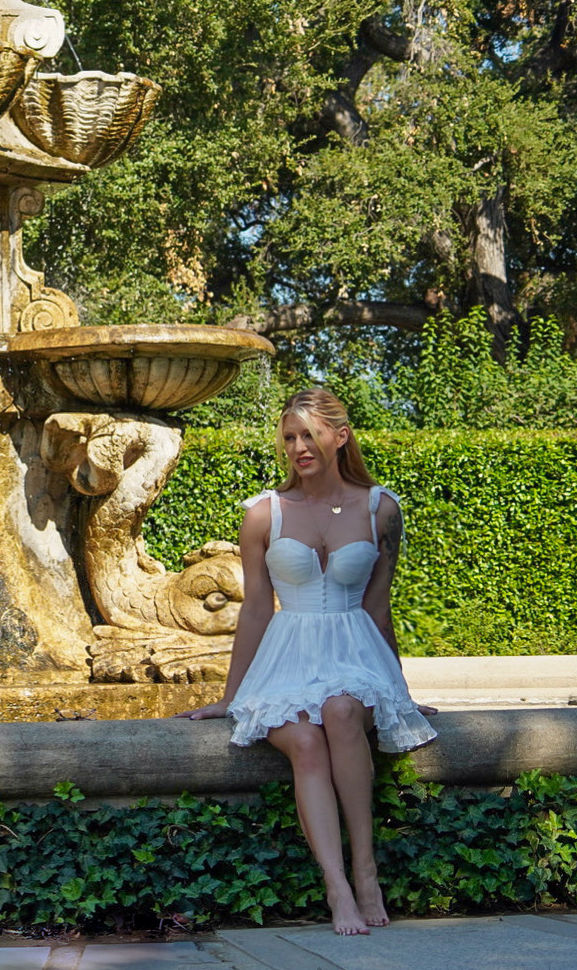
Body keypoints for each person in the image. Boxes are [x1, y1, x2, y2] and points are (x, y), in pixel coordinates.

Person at [177, 387, 438, 935]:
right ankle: (336, 885)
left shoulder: (380, 509)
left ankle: (366, 870)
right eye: (290, 436)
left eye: (310, 434)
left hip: (355, 651)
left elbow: (378, 609)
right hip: (286, 658)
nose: (299, 446)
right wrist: (230, 696)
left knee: (343, 713)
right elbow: (253, 612)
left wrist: (402, 694)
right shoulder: (263, 514)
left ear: (340, 437)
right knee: (304, 740)